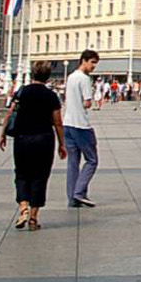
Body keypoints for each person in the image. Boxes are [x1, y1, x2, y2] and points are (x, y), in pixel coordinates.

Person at [1, 61, 66, 231]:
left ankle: (23, 207)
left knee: (21, 173)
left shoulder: (22, 91)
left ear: (32, 74)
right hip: (44, 139)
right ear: (48, 76)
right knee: (40, 176)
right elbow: (58, 122)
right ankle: (33, 218)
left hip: (22, 138)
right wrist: (62, 144)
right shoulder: (51, 96)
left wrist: (2, 134)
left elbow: (10, 113)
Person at [64, 50, 101, 208]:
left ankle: (72, 198)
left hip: (68, 123)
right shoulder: (85, 79)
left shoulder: (71, 77)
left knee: (73, 162)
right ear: (84, 61)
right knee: (92, 160)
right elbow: (87, 102)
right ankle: (79, 192)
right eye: (92, 62)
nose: (93, 66)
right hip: (81, 125)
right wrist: (88, 102)